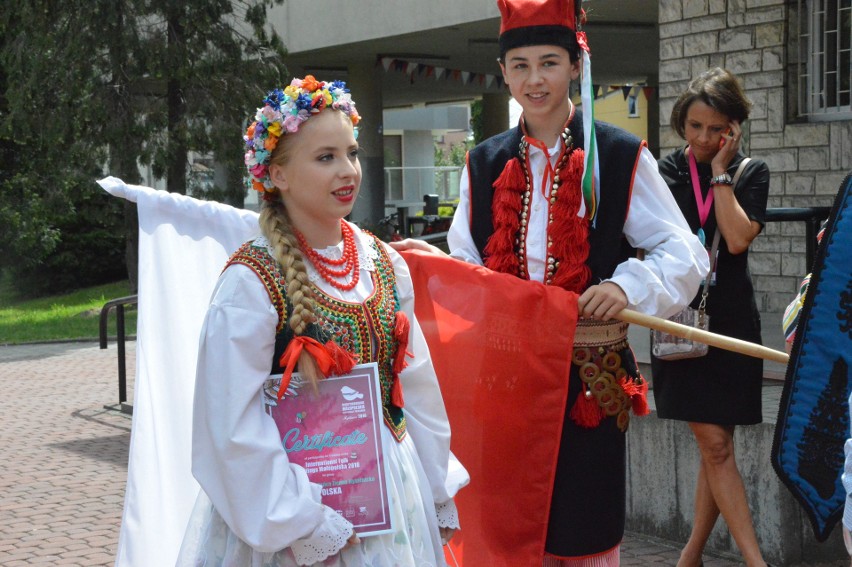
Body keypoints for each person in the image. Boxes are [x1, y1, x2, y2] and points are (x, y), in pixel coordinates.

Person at [394, 0, 708, 564]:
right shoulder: (483, 162)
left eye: (549, 62)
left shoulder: (616, 155)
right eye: (519, 65)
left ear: (575, 65)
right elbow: (469, 271)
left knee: (584, 531)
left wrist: (629, 286)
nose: (534, 80)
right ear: (503, 71)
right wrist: (429, 265)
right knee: (505, 524)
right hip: (505, 381)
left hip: (587, 381)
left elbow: (685, 252)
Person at [176, 76, 467, 567]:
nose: (348, 170)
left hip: (388, 494)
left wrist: (436, 484)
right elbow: (228, 424)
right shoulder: (252, 281)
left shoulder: (380, 260)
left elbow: (415, 383)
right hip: (294, 504)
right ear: (279, 175)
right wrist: (300, 521)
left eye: (351, 153)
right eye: (325, 157)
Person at [651, 67, 771, 567]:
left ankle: (690, 556)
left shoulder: (750, 172)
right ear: (682, 122)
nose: (703, 138)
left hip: (731, 321)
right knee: (715, 444)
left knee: (716, 447)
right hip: (680, 317)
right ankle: (754, 560)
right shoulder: (664, 171)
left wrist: (721, 172)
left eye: (716, 129)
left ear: (733, 128)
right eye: (695, 126)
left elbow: (739, 238)